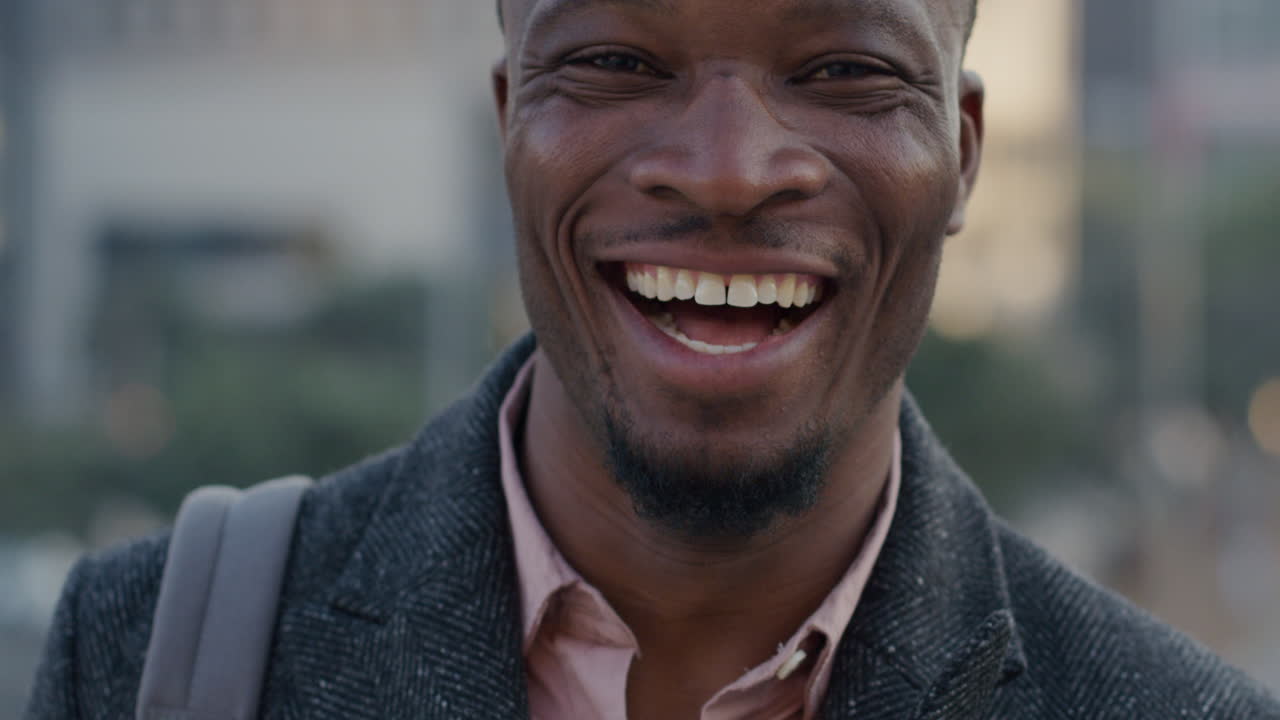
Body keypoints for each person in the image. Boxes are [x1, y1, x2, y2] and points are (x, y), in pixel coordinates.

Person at [24, 0, 1280, 718]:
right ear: (508, 121)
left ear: (960, 153)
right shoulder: (152, 658)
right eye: (617, 62)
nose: (728, 172)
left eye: (843, 69)